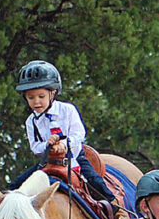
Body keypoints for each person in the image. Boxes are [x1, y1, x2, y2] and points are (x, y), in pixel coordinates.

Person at [8, 60, 115, 201]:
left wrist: (64, 144)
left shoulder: (67, 110)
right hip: (48, 161)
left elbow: (79, 133)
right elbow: (35, 147)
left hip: (74, 157)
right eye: (31, 97)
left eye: (41, 96)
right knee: (14, 186)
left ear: (52, 93)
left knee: (96, 183)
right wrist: (48, 145)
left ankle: (116, 208)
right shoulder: (31, 121)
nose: (36, 102)